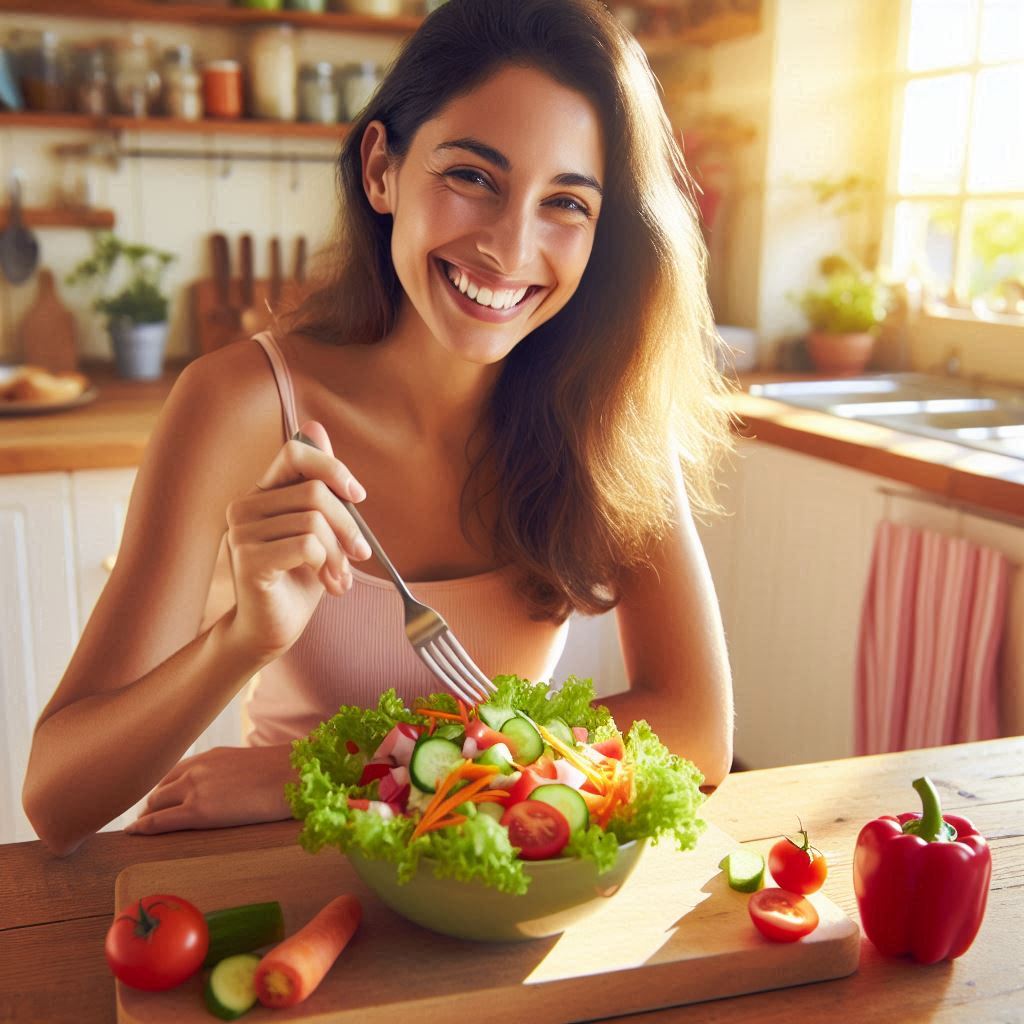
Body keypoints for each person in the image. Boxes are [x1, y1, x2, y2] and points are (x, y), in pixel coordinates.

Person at [23, 0, 734, 857]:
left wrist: (331, 767)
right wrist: (240, 641)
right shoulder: (241, 404)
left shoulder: (606, 408)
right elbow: (55, 798)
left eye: (567, 204)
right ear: (381, 170)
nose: (510, 250)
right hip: (289, 877)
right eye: (473, 176)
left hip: (491, 898)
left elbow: (696, 729)